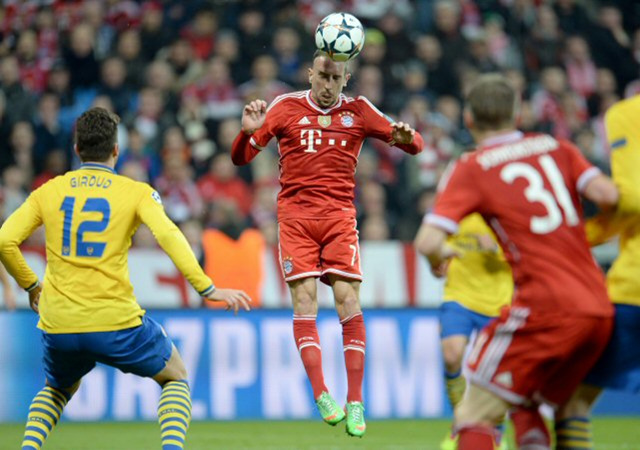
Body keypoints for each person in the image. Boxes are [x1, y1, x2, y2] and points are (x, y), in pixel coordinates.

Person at [0, 107, 251, 450]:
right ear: (116, 150)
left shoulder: (50, 191)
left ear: (77, 149)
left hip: (58, 322)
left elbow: (4, 240)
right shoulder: (135, 192)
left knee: (57, 388)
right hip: (113, 320)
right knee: (175, 375)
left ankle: (27, 448)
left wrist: (31, 285)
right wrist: (207, 286)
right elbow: (169, 235)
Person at [414, 74, 619, 450]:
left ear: (468, 118)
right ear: (518, 113)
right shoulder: (557, 147)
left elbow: (427, 240)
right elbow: (608, 194)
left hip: (544, 308)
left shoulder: (472, 166)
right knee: (536, 406)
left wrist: (437, 257)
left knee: (473, 415)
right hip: (598, 307)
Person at [231, 50, 424, 437]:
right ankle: (321, 393)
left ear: (346, 80)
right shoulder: (284, 107)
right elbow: (242, 158)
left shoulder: (360, 111)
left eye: (336, 79)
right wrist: (247, 132)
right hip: (296, 219)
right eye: (322, 76)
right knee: (305, 302)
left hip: (339, 218)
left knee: (348, 301)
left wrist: (408, 139)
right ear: (310, 73)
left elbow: (414, 144)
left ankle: (355, 401)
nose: (328, 85)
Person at [554, 94, 640, 449]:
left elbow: (633, 197)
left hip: (635, 290)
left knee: (571, 401)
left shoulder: (628, 113)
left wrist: (582, 235)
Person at [428, 213, 512, 450]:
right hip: (459, 298)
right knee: (452, 356)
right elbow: (432, 246)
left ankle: (495, 432)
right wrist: (436, 263)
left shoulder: (504, 214)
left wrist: (496, 248)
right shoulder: (457, 213)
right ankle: (461, 423)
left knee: (493, 373)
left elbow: (529, 255)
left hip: (499, 304)